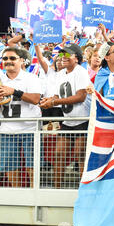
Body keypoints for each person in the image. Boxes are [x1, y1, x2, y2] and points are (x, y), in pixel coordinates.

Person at [39, 43, 91, 189]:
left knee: (80, 155)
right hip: (68, 121)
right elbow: (57, 95)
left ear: (76, 57)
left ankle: (83, 191)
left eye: (67, 54)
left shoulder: (81, 71)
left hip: (82, 120)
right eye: (61, 55)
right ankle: (57, 190)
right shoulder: (61, 74)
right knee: (59, 155)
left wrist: (54, 102)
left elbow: (80, 96)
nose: (63, 57)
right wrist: (48, 101)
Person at [0, 47, 42, 188]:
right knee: (9, 168)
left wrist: (13, 91)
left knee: (32, 167)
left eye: (12, 58)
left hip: (30, 129)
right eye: (5, 58)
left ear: (21, 61)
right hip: (7, 130)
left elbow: (36, 99)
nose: (8, 61)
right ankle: (19, 198)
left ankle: (34, 199)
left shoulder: (31, 78)